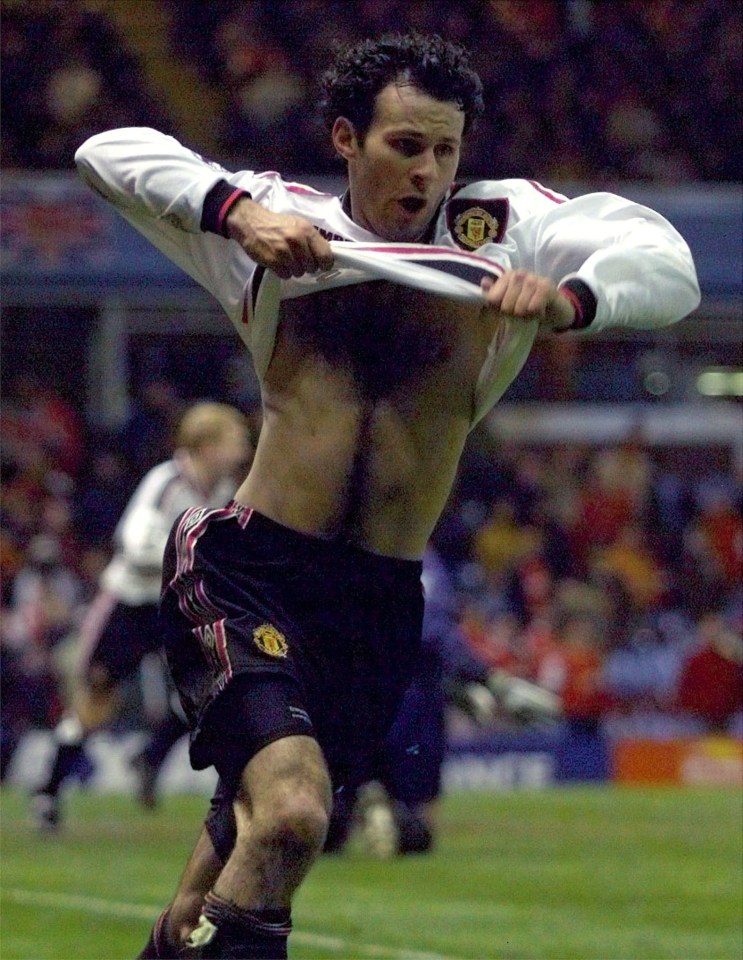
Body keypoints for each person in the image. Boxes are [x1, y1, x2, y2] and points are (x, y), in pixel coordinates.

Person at [72, 31, 699, 959]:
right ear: (344, 139)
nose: (428, 172)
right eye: (404, 145)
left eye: (444, 150)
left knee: (222, 881)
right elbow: (106, 153)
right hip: (253, 571)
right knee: (290, 818)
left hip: (376, 604)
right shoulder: (277, 228)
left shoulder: (503, 229)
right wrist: (235, 211)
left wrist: (570, 299)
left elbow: (667, 264)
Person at [30, 402, 251, 830]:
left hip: (178, 606)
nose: (244, 446)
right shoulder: (167, 482)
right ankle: (49, 792)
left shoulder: (224, 490)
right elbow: (133, 542)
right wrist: (192, 560)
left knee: (209, 689)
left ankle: (149, 759)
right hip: (131, 605)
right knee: (97, 701)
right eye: (234, 439)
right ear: (207, 445)